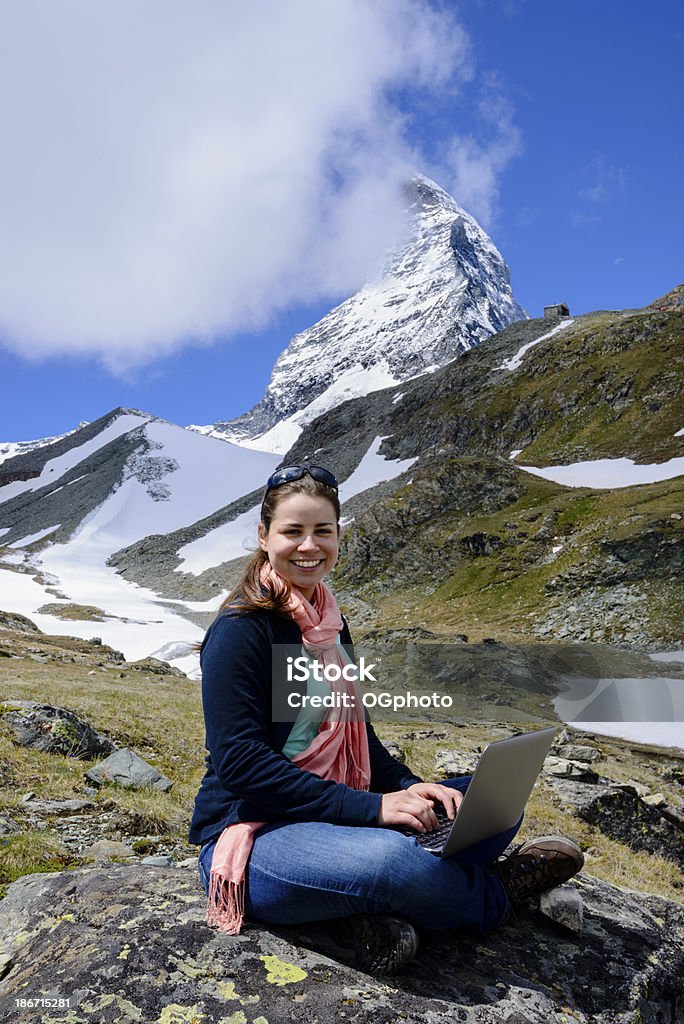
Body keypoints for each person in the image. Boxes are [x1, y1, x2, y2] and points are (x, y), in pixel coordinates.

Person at [189, 465, 583, 974]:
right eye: (292, 531)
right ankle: (497, 896)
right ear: (264, 537)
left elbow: (361, 740)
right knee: (392, 863)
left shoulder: (326, 622)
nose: (309, 545)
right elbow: (244, 766)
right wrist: (374, 808)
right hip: (259, 831)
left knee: (485, 802)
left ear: (337, 537)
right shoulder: (242, 631)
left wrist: (411, 786)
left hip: (332, 815)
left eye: (322, 531)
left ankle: (372, 914)